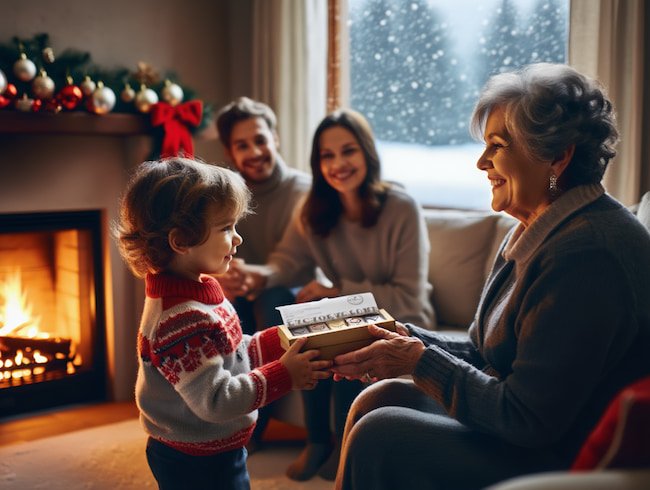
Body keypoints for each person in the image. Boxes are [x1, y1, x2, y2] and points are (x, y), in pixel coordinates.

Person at [330, 62, 650, 490]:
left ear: (558, 155)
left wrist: (416, 359)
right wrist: (403, 339)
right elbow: (488, 357)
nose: (482, 162)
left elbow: (527, 419)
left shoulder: (588, 253)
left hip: (554, 452)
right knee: (380, 397)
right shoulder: (539, 228)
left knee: (381, 435)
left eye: (497, 146)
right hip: (521, 430)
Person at [233, 108, 435, 481]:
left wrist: (340, 292)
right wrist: (254, 276)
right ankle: (317, 441)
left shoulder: (401, 208)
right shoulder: (315, 211)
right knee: (286, 300)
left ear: (367, 154)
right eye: (327, 155)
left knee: (338, 326)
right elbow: (287, 263)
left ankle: (342, 445)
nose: (338, 163)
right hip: (349, 314)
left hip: (401, 316)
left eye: (349, 151)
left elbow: (410, 296)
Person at [113, 157, 331, 490]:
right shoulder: (180, 319)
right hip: (193, 460)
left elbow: (231, 352)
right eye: (226, 228)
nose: (237, 239)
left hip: (216, 447)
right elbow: (216, 400)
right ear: (181, 241)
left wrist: (283, 339)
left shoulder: (198, 289)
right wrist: (283, 374)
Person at [216, 97, 312, 449]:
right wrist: (222, 279)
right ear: (231, 152)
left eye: (260, 139)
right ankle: (228, 417)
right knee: (222, 307)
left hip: (291, 289)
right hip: (247, 289)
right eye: (243, 145)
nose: (255, 151)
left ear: (276, 137)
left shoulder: (305, 191)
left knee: (272, 300)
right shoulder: (228, 196)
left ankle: (255, 425)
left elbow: (289, 263)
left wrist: (253, 277)